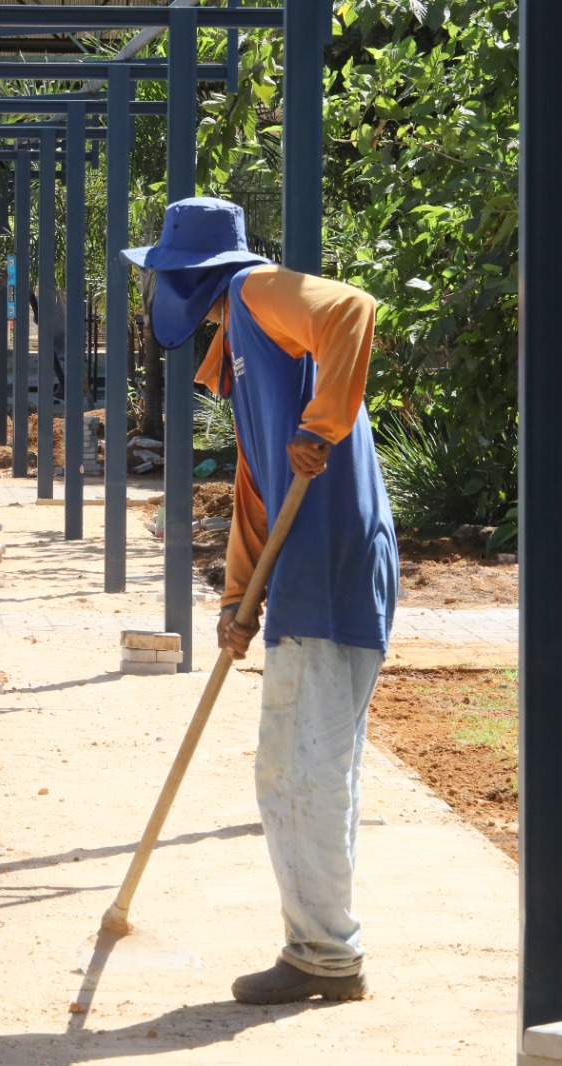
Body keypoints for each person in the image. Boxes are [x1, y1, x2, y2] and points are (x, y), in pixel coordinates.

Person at [122, 197, 399, 1005]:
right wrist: (239, 600)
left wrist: (321, 424)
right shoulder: (241, 344)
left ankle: (324, 953)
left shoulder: (253, 293)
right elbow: (255, 487)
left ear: (185, 275)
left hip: (330, 561)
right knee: (310, 767)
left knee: (298, 772)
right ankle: (326, 945)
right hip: (313, 564)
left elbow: (351, 308)